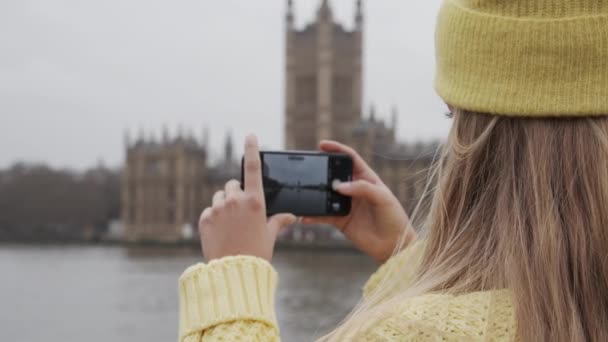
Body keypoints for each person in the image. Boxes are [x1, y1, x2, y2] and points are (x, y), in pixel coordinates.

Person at [178, 0, 608, 341]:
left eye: (452, 116)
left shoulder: (404, 333)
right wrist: (405, 255)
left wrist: (231, 278)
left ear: (477, 136)